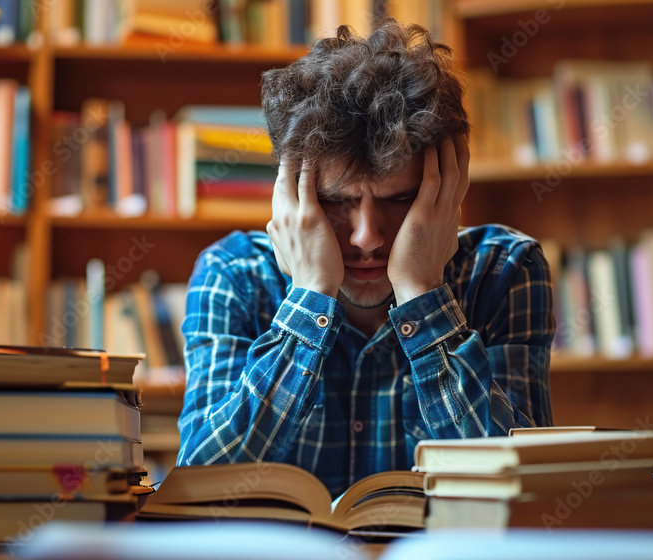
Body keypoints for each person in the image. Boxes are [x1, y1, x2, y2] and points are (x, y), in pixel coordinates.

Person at [176, 19, 555, 498]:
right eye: (336, 202)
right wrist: (310, 295)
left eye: (399, 200)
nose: (367, 237)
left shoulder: (506, 270)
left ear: (449, 190)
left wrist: (421, 292)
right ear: (289, 199)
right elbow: (198, 485)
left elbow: (525, 489)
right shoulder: (233, 275)